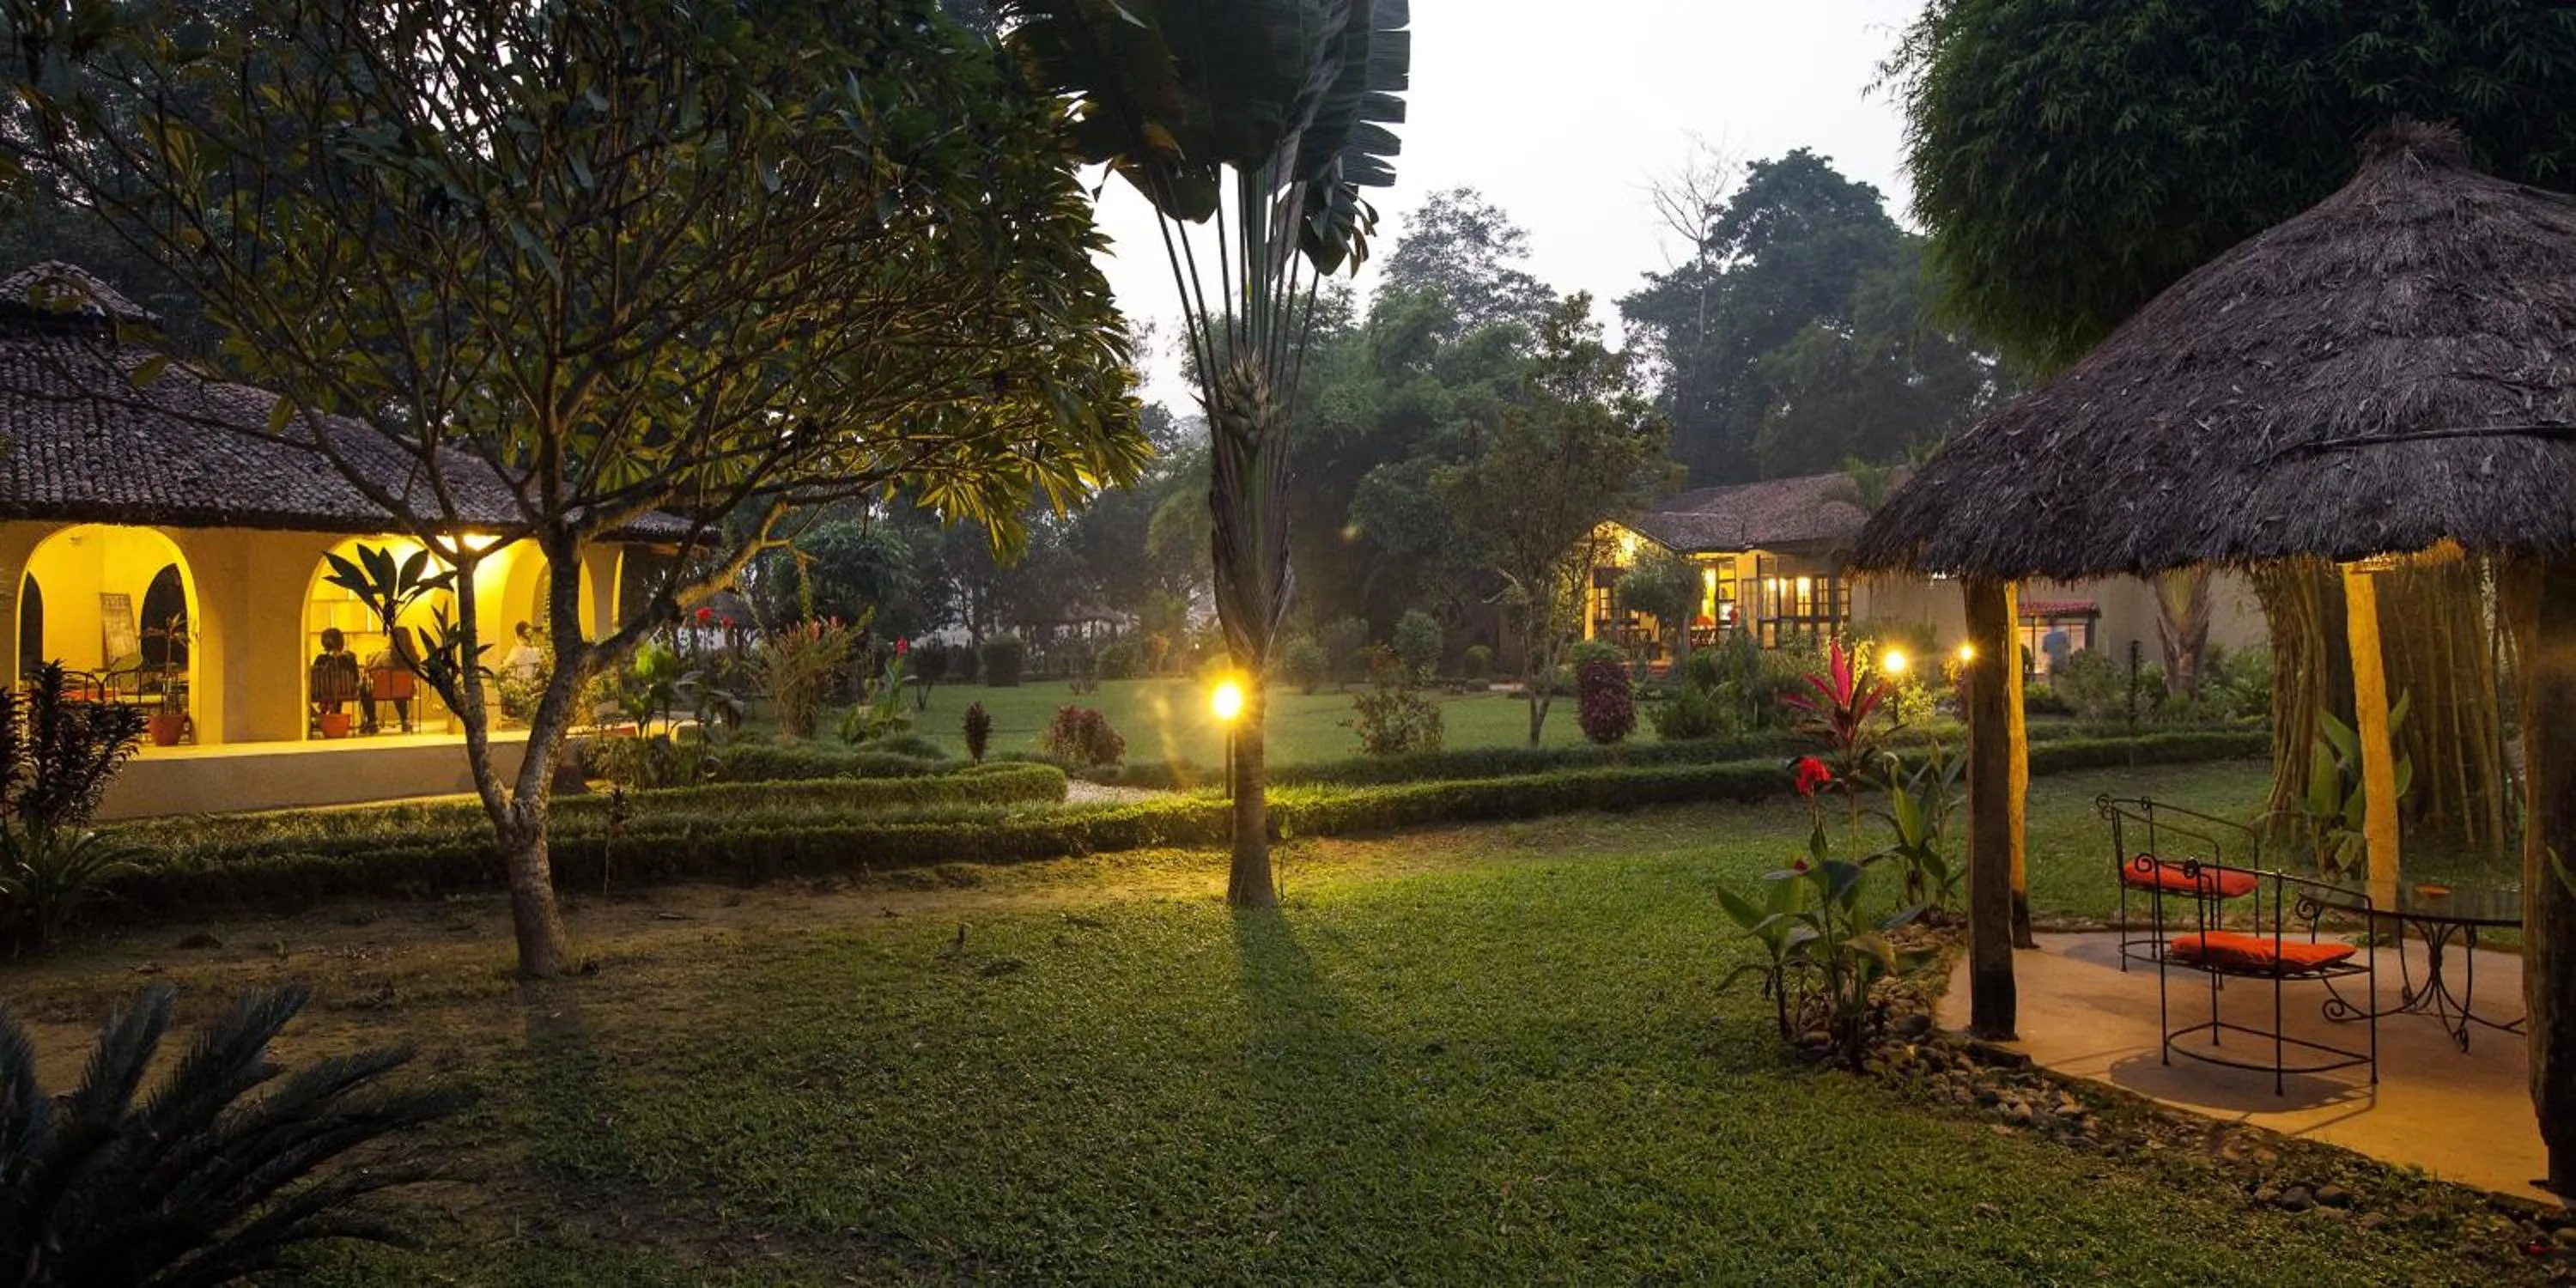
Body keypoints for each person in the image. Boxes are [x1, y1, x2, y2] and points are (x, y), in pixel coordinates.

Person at [308, 628, 361, 732]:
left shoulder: (320, 659)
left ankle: (323, 717)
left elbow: (315, 678)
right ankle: (333, 718)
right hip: (347, 691)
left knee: (330, 689)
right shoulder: (350, 658)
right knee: (337, 687)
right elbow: (356, 677)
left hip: (323, 692)